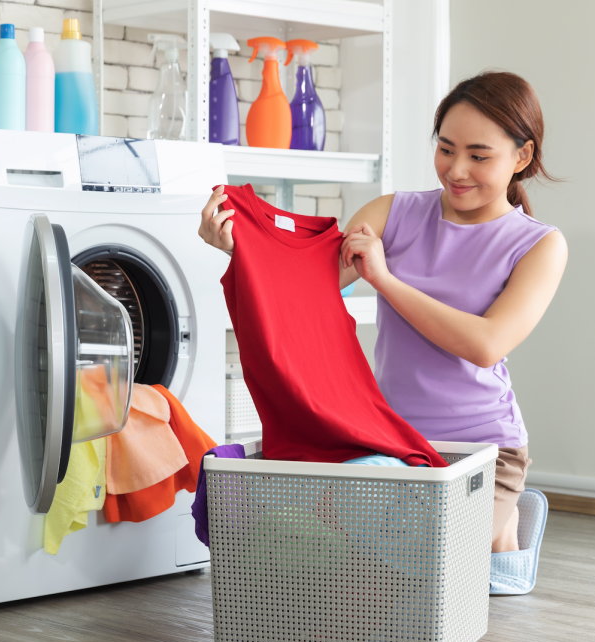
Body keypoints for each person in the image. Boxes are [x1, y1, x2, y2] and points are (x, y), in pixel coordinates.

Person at [198, 72, 567, 554]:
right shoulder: (394, 212)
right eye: (446, 148)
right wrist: (237, 250)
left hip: (484, 450)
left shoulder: (539, 244)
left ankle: (505, 519)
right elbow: (302, 290)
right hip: (390, 441)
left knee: (428, 562)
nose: (456, 170)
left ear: (522, 156)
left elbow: (485, 345)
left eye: (478, 156)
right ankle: (494, 532)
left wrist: (385, 280)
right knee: (362, 563)